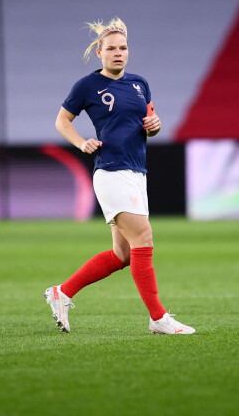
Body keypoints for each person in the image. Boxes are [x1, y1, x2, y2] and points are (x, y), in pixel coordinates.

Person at [44, 17, 195, 335]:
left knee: (122, 254)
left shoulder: (140, 84)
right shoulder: (88, 85)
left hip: (137, 172)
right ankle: (158, 317)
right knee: (144, 238)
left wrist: (156, 125)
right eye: (111, 48)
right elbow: (62, 120)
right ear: (99, 52)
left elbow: (151, 121)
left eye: (123, 47)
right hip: (112, 172)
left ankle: (62, 293)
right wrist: (81, 142)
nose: (118, 53)